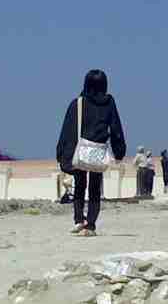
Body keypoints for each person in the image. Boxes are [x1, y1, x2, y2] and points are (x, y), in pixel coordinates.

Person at [56, 69, 126, 237]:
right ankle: (91, 225)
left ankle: (79, 220)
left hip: (80, 150)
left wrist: (62, 152)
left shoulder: (78, 103)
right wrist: (119, 150)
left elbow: (67, 130)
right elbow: (116, 127)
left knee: (79, 185)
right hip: (98, 151)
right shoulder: (109, 102)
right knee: (95, 188)